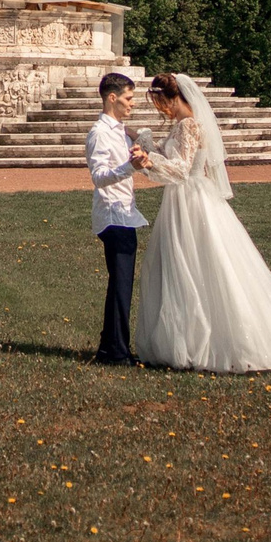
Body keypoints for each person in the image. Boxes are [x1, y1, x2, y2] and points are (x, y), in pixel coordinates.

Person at [133, 71, 271, 374]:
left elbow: (179, 170)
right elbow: (169, 165)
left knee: (195, 264)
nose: (160, 108)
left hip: (191, 201)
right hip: (182, 200)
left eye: (161, 102)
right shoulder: (182, 125)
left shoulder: (189, 125)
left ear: (173, 97)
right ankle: (185, 340)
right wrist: (146, 152)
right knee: (182, 266)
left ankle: (207, 343)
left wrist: (150, 160)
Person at [86, 71, 149, 365]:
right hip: (113, 216)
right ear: (112, 98)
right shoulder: (99, 133)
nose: (132, 103)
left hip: (125, 212)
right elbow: (99, 178)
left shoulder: (121, 131)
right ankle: (118, 353)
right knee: (121, 285)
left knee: (120, 285)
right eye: (128, 98)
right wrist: (129, 167)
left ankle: (109, 349)